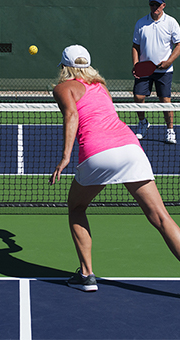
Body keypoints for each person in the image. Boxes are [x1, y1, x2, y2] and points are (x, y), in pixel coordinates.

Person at [50, 44, 180, 292]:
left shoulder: (62, 88)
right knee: (161, 218)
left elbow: (71, 116)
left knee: (76, 207)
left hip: (98, 153)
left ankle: (87, 275)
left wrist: (66, 156)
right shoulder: (101, 87)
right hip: (130, 149)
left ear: (65, 67)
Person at [132, 0, 180, 144]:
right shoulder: (141, 23)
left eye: (157, 5)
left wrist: (169, 62)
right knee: (138, 97)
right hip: (144, 70)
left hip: (164, 71)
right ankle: (143, 123)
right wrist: (136, 65)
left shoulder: (171, 22)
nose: (155, 7)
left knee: (165, 101)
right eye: (152, 4)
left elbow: (178, 44)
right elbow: (135, 46)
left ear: (163, 5)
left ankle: (170, 130)